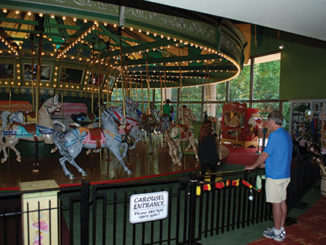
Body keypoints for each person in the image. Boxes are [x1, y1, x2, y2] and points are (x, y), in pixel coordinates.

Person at [244, 111, 292, 242]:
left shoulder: (275, 135)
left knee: (275, 204)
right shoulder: (286, 134)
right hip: (284, 174)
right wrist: (266, 165)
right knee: (282, 201)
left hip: (275, 176)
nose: (268, 125)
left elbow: (265, 154)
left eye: (268, 122)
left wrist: (253, 166)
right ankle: (280, 228)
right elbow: (280, 155)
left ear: (272, 121)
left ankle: (277, 233)